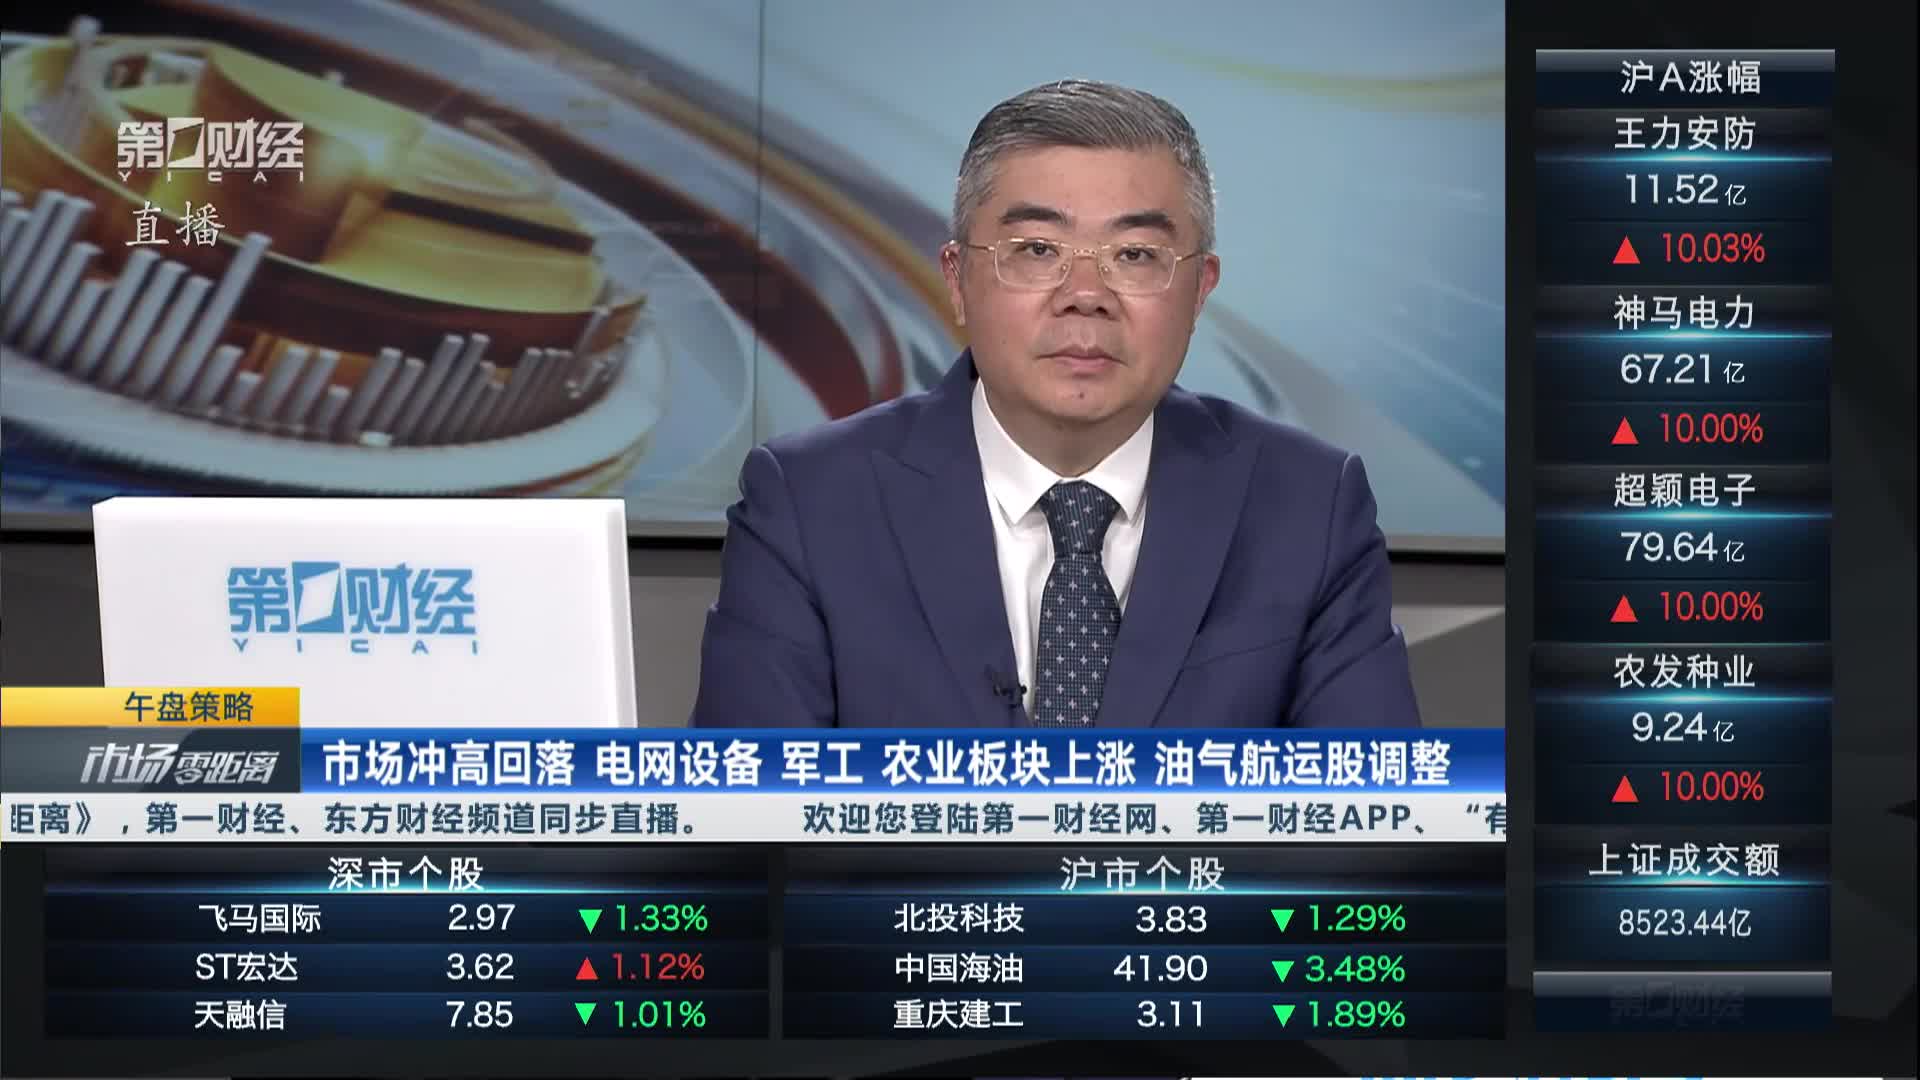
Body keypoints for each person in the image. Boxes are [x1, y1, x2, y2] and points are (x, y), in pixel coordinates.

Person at [692, 79, 1420, 729]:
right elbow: (745, 813)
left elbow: (1373, 817)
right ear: (957, 279)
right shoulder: (810, 503)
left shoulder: (1308, 508)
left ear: (1200, 290)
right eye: (1038, 250)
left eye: (1135, 255)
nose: (1086, 295)